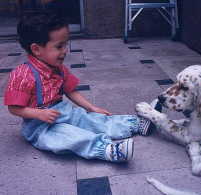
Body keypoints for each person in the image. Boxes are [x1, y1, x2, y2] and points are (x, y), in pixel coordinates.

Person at [4, 11, 155, 163]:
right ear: (36, 49)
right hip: (39, 126)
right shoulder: (22, 75)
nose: (65, 50)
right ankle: (109, 150)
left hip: (62, 111)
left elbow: (70, 91)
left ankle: (136, 124)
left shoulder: (58, 68)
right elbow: (14, 108)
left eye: (66, 44)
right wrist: (38, 114)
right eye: (59, 46)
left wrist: (91, 108)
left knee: (91, 120)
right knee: (69, 136)